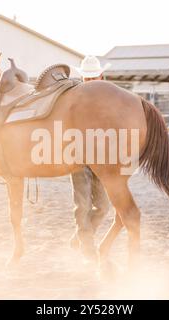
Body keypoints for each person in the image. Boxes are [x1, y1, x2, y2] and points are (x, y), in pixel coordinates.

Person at [70, 56, 112, 261]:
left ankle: (79, 238)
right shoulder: (73, 98)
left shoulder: (109, 99)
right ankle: (87, 247)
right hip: (79, 158)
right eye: (87, 79)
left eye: (93, 78)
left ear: (101, 76)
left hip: (101, 160)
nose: (90, 82)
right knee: (83, 204)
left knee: (104, 206)